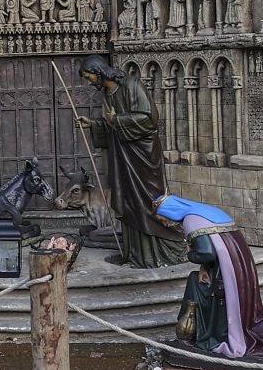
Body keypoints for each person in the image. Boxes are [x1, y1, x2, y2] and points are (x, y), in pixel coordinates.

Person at [73, 55, 187, 268]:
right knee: (129, 201)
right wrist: (95, 124)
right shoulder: (109, 93)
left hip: (143, 157)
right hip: (124, 158)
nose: (89, 82)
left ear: (98, 72)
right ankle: (138, 253)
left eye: (89, 77)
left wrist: (115, 120)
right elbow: (112, 125)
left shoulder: (132, 85)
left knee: (147, 201)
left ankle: (163, 250)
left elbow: (149, 118)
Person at [155, 195, 263, 361]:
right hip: (238, 268)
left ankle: (209, 336)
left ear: (170, 212)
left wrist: (189, 254)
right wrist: (205, 268)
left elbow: (206, 253)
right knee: (198, 280)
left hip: (224, 276)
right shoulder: (204, 212)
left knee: (195, 283)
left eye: (163, 219)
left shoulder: (190, 221)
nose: (165, 223)